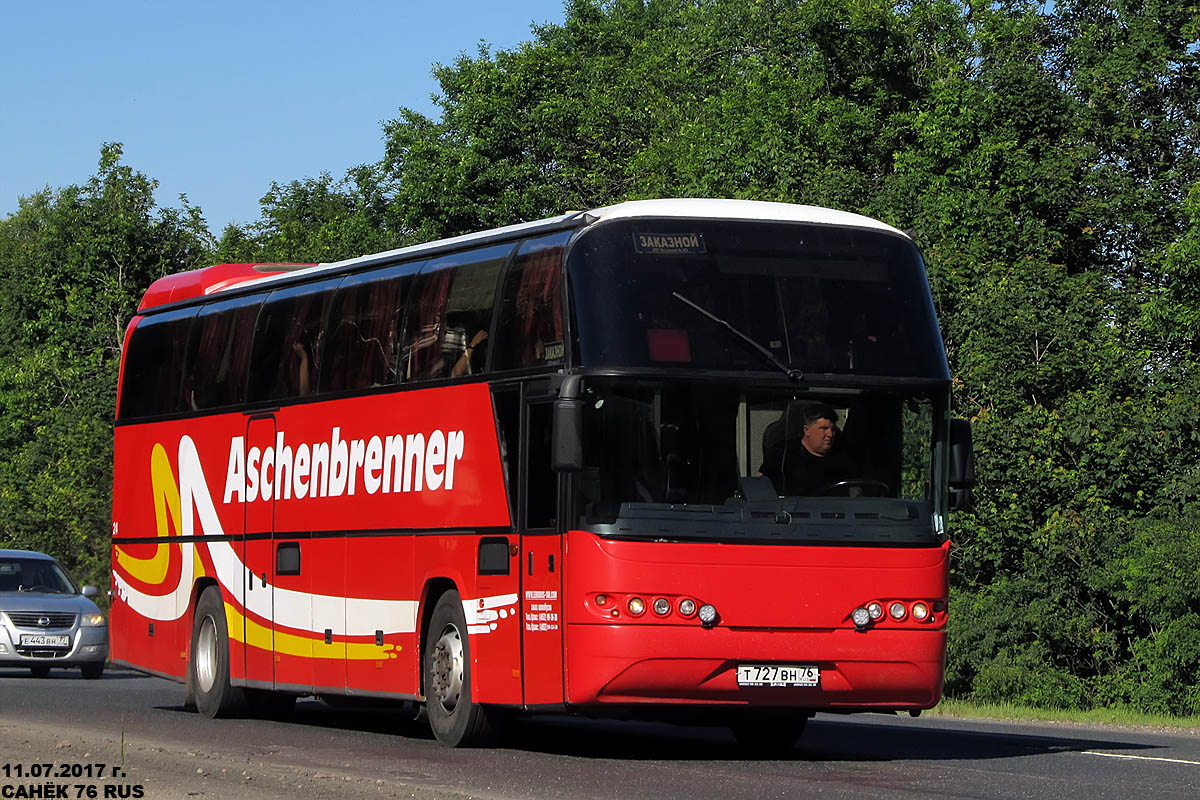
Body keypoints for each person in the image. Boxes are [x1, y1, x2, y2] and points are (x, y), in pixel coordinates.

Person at [759, 402, 854, 496]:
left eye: (832, 429)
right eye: (824, 428)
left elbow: (857, 491)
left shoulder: (842, 457)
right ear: (807, 430)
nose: (830, 434)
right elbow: (759, 486)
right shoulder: (782, 454)